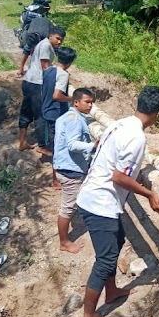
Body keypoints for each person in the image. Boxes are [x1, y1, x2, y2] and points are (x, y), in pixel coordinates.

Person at [76, 86, 159, 317]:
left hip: (96, 196)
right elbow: (119, 176)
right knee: (105, 260)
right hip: (100, 203)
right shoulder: (136, 137)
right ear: (157, 114)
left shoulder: (121, 124)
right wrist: (149, 193)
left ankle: (112, 290)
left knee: (117, 240)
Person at [53, 87, 96, 254]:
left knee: (73, 201)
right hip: (71, 169)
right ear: (76, 102)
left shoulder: (66, 117)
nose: (90, 105)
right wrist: (93, 145)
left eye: (92, 102)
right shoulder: (76, 120)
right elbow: (72, 144)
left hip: (63, 166)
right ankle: (64, 242)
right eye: (87, 102)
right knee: (67, 208)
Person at [18, 25, 65, 154]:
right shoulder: (46, 46)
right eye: (57, 38)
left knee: (26, 112)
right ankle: (43, 146)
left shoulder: (42, 44)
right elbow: (45, 68)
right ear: (50, 36)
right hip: (37, 84)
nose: (59, 42)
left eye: (61, 40)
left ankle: (22, 142)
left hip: (28, 81)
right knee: (41, 114)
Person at [42, 46, 77, 189]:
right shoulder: (63, 75)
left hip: (46, 110)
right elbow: (56, 96)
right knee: (58, 146)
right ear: (70, 62)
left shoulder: (49, 70)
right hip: (55, 113)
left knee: (54, 142)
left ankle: (57, 174)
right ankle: (55, 179)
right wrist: (72, 99)